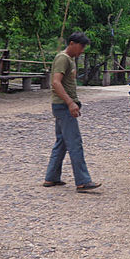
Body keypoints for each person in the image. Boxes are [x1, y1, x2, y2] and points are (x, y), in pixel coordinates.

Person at [43, 32, 102, 193]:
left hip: (60, 105)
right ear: (72, 43)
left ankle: (51, 177)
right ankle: (83, 181)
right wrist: (70, 102)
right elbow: (56, 82)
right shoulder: (63, 58)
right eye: (81, 46)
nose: (82, 50)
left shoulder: (68, 59)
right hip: (62, 106)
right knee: (75, 143)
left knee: (61, 142)